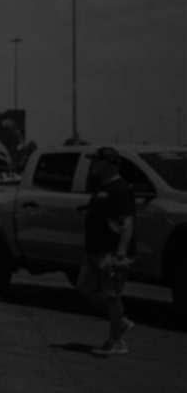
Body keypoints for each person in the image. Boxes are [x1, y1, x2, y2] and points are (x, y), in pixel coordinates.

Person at [77, 147, 137, 355]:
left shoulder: (121, 189)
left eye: (96, 161)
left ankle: (116, 341)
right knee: (84, 287)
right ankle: (119, 320)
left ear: (108, 163)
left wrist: (120, 254)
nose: (93, 164)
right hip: (94, 250)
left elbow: (127, 222)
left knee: (111, 295)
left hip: (111, 253)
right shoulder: (103, 188)